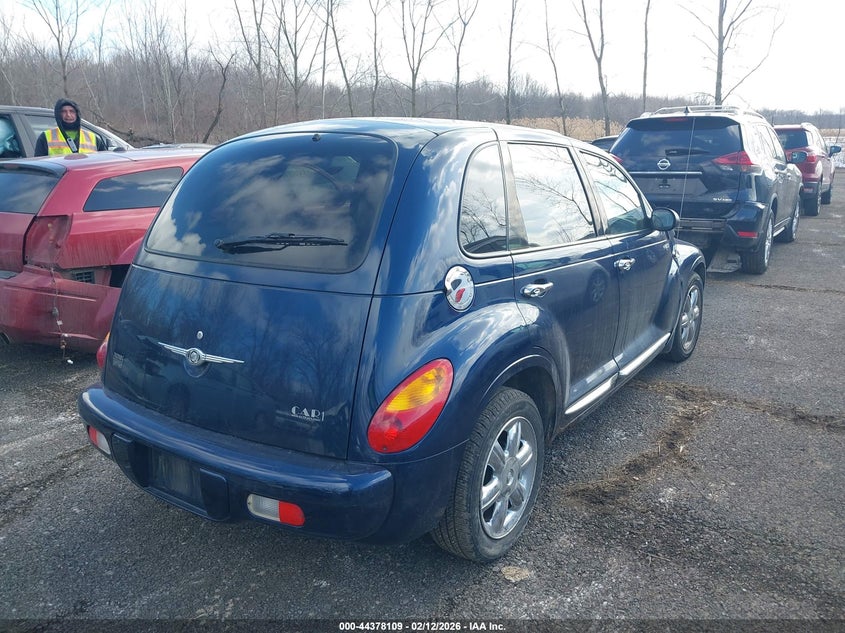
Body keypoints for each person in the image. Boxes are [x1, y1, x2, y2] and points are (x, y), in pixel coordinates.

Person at [34, 98, 106, 156]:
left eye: (72, 111)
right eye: (63, 111)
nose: (68, 115)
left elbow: (104, 163)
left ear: (77, 114)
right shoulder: (45, 137)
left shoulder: (93, 138)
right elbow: (39, 168)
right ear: (58, 114)